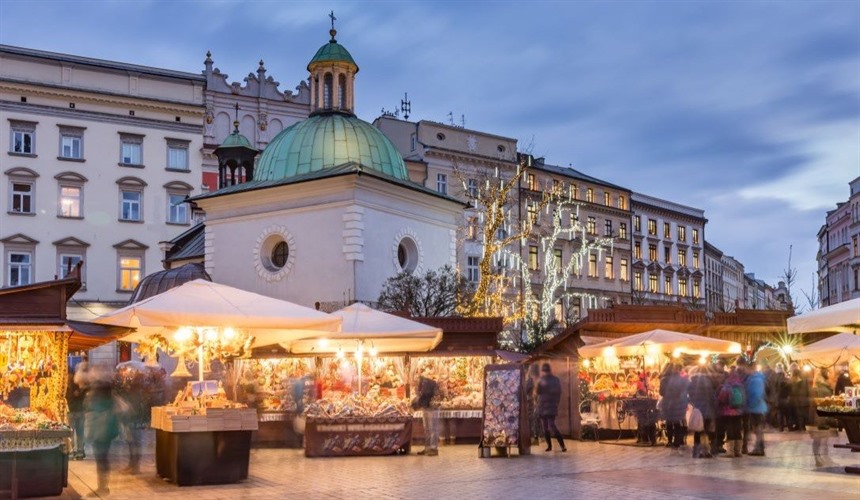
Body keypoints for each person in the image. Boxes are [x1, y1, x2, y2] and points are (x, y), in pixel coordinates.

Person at [82, 365, 119, 497]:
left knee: (101, 458)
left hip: (101, 430)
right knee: (102, 458)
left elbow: (93, 406)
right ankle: (103, 486)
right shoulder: (105, 389)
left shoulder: (100, 389)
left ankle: (102, 488)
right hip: (103, 430)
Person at [716, 365, 746, 458]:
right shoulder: (741, 385)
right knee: (738, 429)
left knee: (730, 430)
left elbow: (722, 398)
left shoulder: (727, 385)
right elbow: (744, 398)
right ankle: (738, 451)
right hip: (739, 411)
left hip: (728, 412)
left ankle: (730, 452)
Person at [687, 364, 716, 458]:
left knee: (698, 431)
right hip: (708, 409)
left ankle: (696, 451)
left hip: (698, 410)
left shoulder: (692, 382)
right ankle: (706, 450)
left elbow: (689, 396)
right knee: (706, 431)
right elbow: (712, 396)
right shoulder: (709, 381)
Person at [659, 363, 689, 451]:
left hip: (668, 402)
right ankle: (677, 441)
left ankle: (669, 441)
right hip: (679, 402)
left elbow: (661, 392)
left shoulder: (664, 379)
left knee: (669, 422)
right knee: (677, 422)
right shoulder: (681, 379)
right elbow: (685, 389)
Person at [536, 363, 566, 452]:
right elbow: (558, 393)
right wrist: (556, 403)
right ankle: (558, 446)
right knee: (548, 426)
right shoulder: (554, 380)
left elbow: (538, 392)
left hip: (545, 405)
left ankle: (554, 446)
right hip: (548, 405)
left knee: (549, 426)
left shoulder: (542, 380)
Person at [742, 362, 767, 456]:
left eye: (746, 369)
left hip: (756, 408)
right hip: (756, 407)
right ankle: (759, 448)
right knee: (757, 429)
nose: (745, 371)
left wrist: (750, 404)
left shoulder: (756, 379)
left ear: (751, 369)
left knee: (758, 429)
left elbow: (756, 394)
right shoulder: (754, 378)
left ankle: (759, 449)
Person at [413, 370, 439, 456]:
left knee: (432, 428)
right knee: (426, 428)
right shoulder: (421, 384)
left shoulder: (429, 383)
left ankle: (434, 448)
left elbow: (426, 395)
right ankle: (427, 448)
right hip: (425, 407)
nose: (414, 382)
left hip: (431, 408)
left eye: (415, 380)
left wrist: (417, 401)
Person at [66, 374, 87, 460]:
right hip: (79, 411)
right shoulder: (80, 387)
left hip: (71, 412)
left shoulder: (66, 388)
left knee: (71, 433)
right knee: (80, 433)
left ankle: (72, 452)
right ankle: (80, 451)